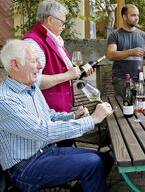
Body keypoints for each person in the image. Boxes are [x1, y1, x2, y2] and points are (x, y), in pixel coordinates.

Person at [0, 40, 113, 192]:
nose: (41, 66)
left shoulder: (31, 87)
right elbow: (44, 131)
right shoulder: (5, 99)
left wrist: (73, 116)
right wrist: (92, 120)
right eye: (34, 61)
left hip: (47, 152)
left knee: (105, 159)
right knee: (92, 163)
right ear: (15, 65)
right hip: (25, 168)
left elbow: (49, 116)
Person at [22, 0, 93, 113]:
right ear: (50, 19)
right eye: (62, 22)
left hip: (59, 110)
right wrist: (68, 75)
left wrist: (77, 74)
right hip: (45, 112)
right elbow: (32, 80)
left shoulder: (54, 40)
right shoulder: (33, 43)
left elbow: (60, 71)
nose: (64, 27)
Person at [106, 4, 145, 97]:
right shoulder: (115, 35)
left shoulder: (143, 35)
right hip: (121, 79)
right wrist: (131, 52)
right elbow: (110, 55)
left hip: (139, 79)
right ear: (124, 17)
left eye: (137, 15)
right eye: (133, 15)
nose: (137, 18)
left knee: (139, 107)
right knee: (122, 107)